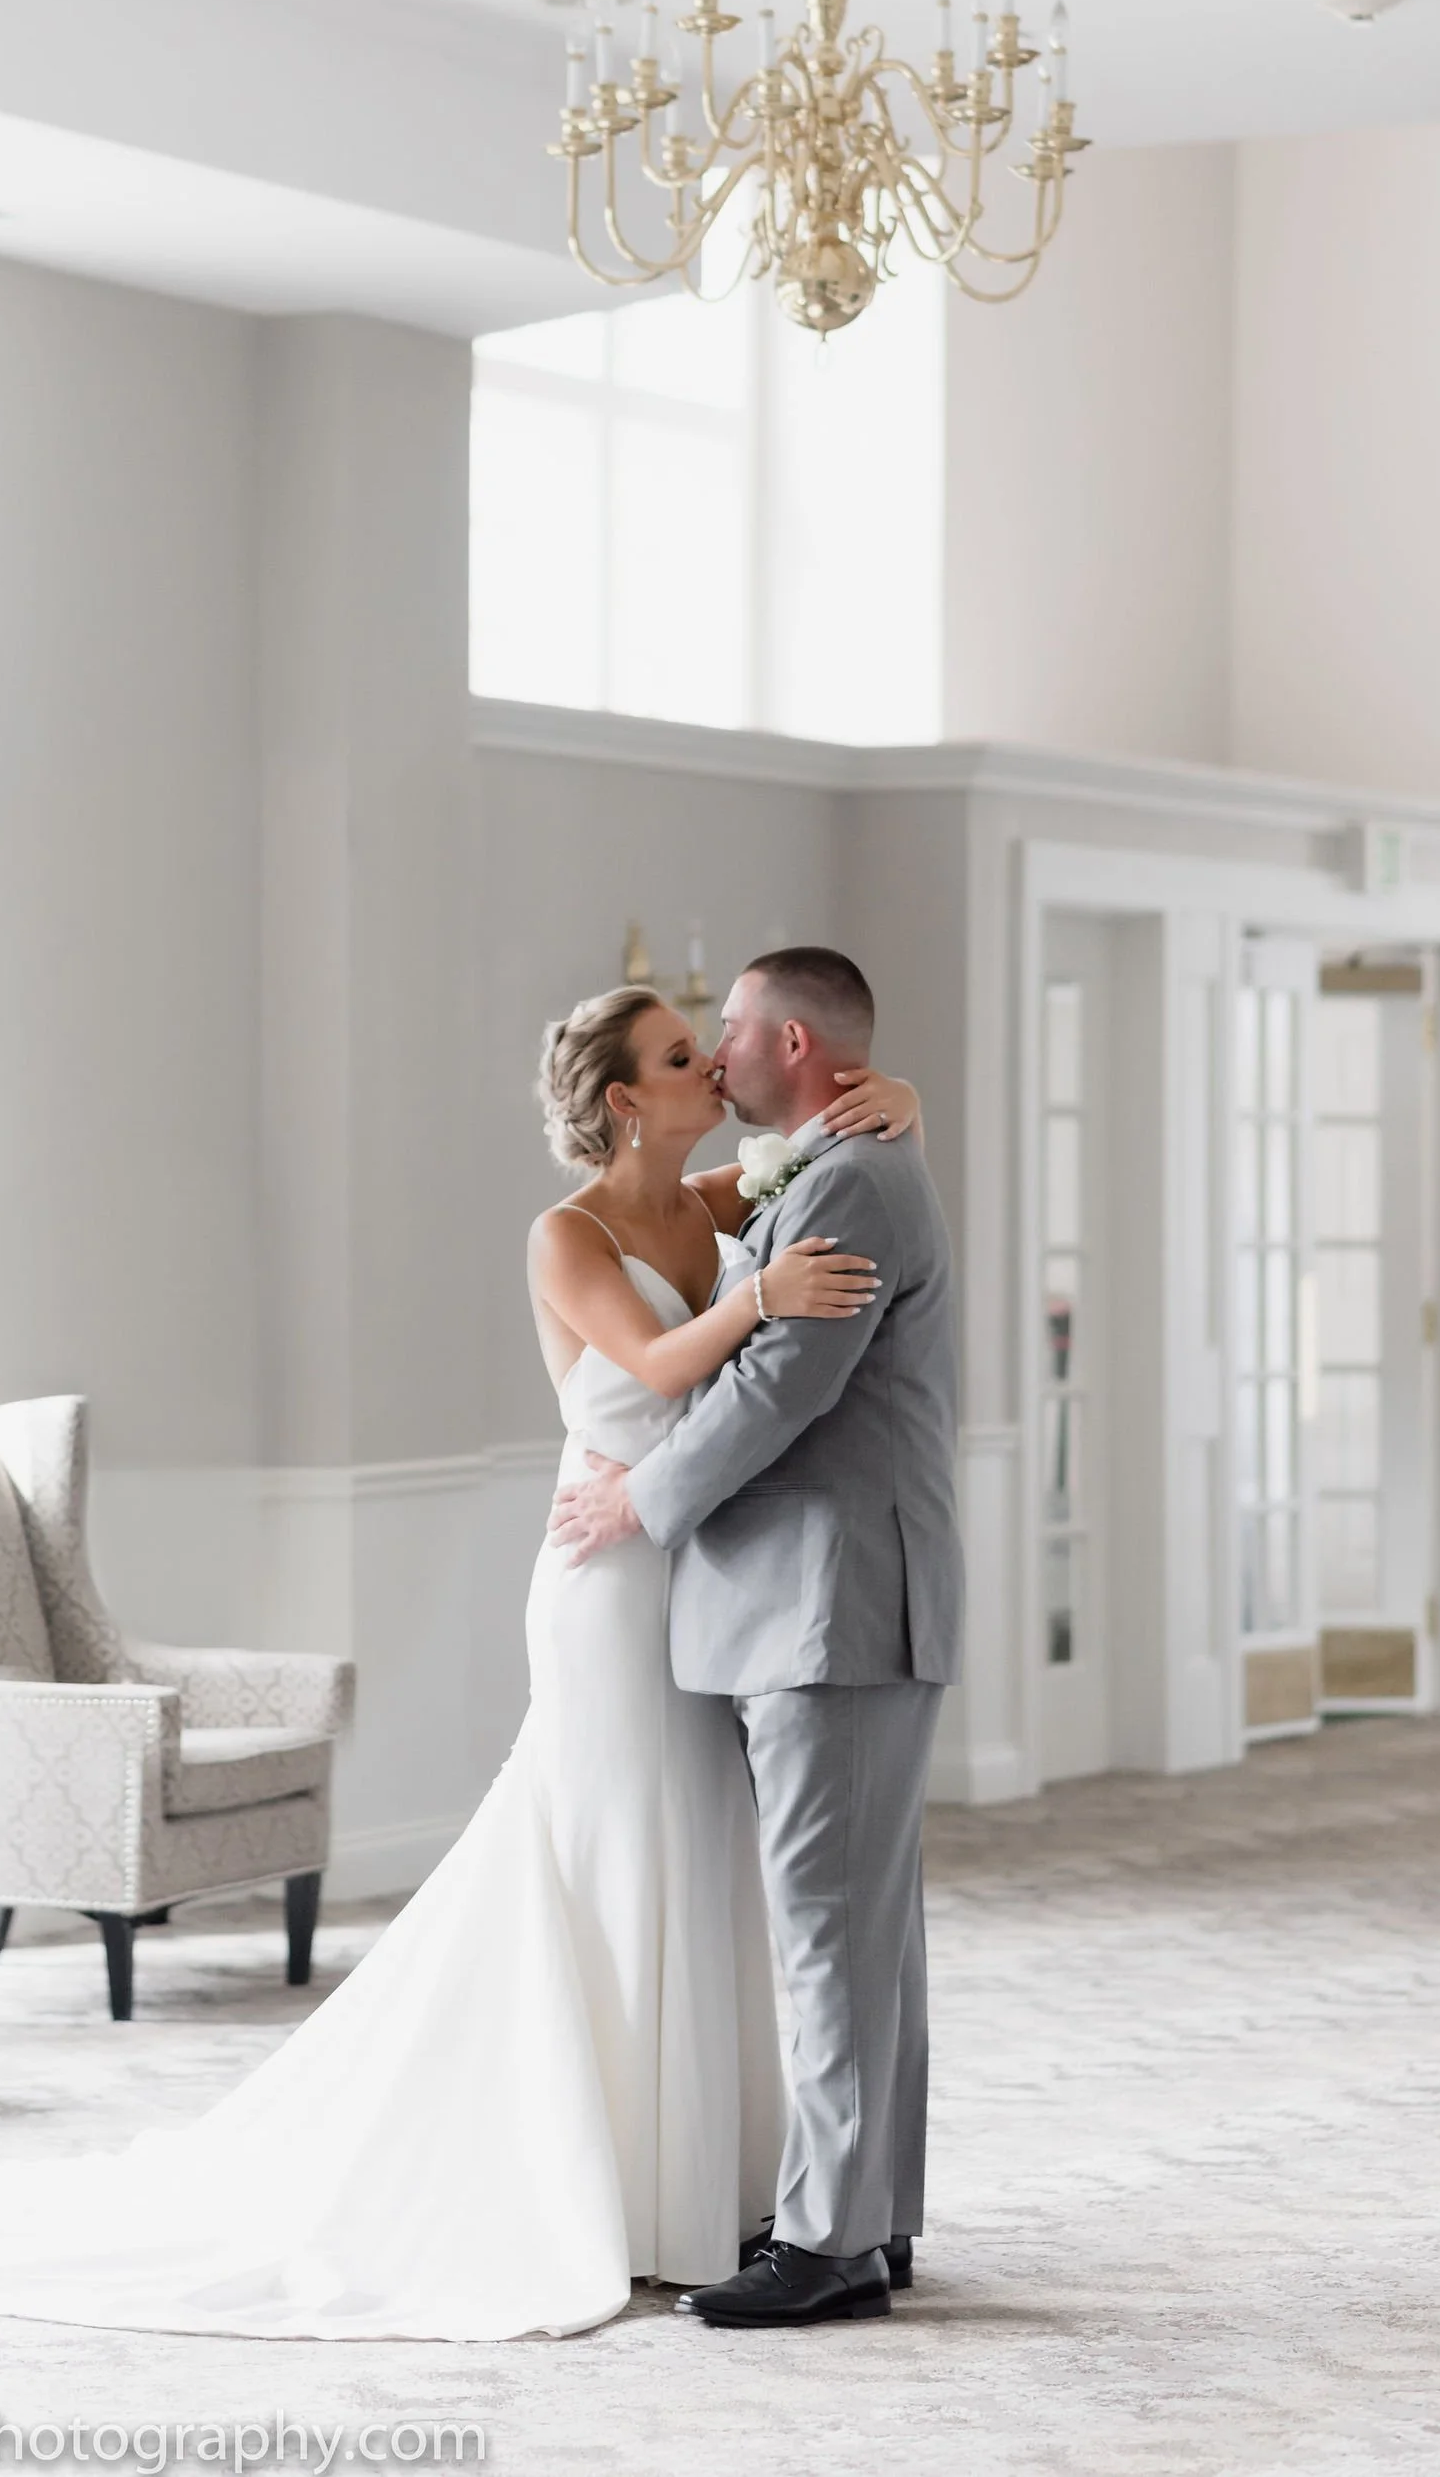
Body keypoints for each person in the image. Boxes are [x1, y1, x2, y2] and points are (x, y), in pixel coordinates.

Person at [0, 984, 920, 2341]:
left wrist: (903, 1103)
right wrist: (765, 1301)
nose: (710, 1067)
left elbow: (805, 1167)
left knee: (700, 1853)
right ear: (623, 1098)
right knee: (616, 1847)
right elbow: (664, 1365)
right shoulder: (569, 1234)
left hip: (692, 1569)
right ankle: (602, 2181)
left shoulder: (710, 1200)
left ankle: (706, 2181)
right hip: (607, 1575)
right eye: (682, 1055)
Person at [551, 947, 962, 2331]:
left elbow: (779, 1387)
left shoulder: (843, 1175)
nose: (716, 1052)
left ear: (790, 1043)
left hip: (824, 1604)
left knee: (834, 1932)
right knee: (866, 1927)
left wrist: (638, 1501)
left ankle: (834, 2240)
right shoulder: (820, 1161)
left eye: (725, 1030)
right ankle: (871, 2215)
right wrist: (897, 1089)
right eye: (688, 1045)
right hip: (828, 1599)